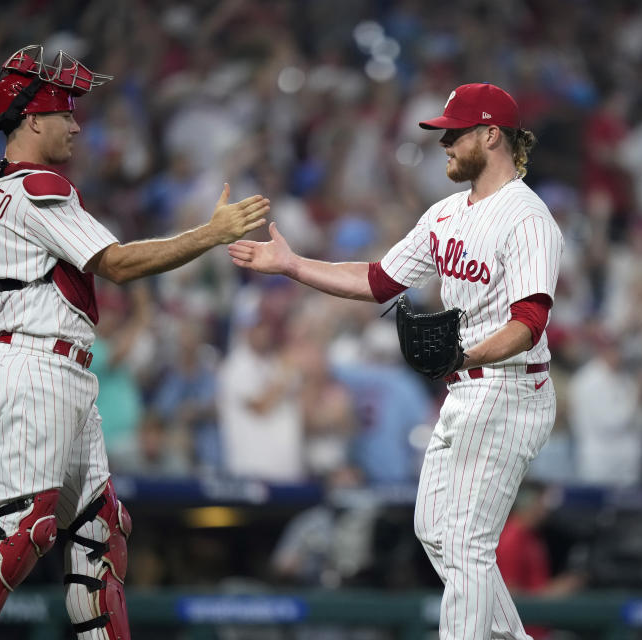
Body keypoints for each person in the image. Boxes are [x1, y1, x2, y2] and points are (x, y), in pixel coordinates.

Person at [0, 45, 269, 640]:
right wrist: (211, 233)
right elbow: (116, 263)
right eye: (65, 112)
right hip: (42, 367)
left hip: (24, 364)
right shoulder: (39, 186)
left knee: (100, 528)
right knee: (24, 528)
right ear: (33, 118)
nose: (75, 124)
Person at [229, 82, 563, 640]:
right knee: (433, 528)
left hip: (509, 388)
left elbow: (528, 325)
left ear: (491, 135)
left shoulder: (527, 219)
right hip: (467, 388)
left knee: (465, 542)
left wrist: (464, 353)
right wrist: (293, 266)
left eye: (454, 134)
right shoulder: (447, 214)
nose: (445, 144)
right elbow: (379, 280)